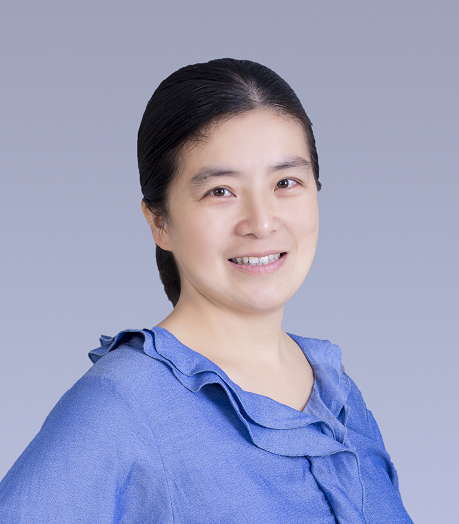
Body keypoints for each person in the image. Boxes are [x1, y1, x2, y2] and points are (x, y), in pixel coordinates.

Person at [0, 58, 413, 523]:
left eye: (286, 182)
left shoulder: (337, 392)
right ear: (159, 221)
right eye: (220, 191)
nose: (261, 222)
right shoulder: (126, 403)